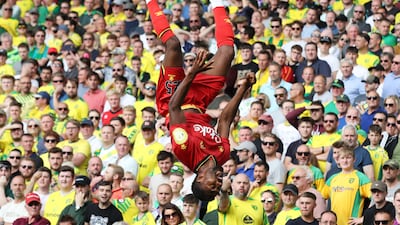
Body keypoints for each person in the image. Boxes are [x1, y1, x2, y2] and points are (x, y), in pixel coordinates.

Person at [148, 0, 240, 201]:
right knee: (227, 53)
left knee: (173, 46)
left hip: (173, 100)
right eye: (218, 188)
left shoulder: (183, 149)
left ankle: (151, 3)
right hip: (199, 101)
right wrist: (243, 89)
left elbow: (174, 107)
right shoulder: (222, 155)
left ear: (198, 179)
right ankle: (217, 4)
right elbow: (225, 120)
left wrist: (191, 74)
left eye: (212, 187)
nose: (218, 184)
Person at [322, 146, 371, 225]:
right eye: (342, 158)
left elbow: (375, 198)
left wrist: (364, 218)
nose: (345, 161)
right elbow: (322, 197)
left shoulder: (361, 178)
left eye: (348, 158)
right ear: (338, 160)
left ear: (354, 160)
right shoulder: (332, 178)